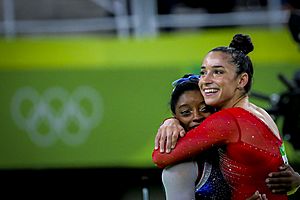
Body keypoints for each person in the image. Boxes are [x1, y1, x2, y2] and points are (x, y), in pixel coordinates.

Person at [152, 33, 300, 199]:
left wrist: (171, 122)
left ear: (241, 80)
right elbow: (282, 172)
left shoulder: (227, 121)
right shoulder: (261, 113)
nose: (206, 80)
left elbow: (160, 156)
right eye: (203, 72)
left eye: (217, 72)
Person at [163, 73, 269, 200]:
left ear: (217, 110)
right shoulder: (180, 168)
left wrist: (296, 182)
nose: (197, 117)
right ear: (176, 118)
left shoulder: (235, 150)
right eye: (186, 112)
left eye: (205, 108)